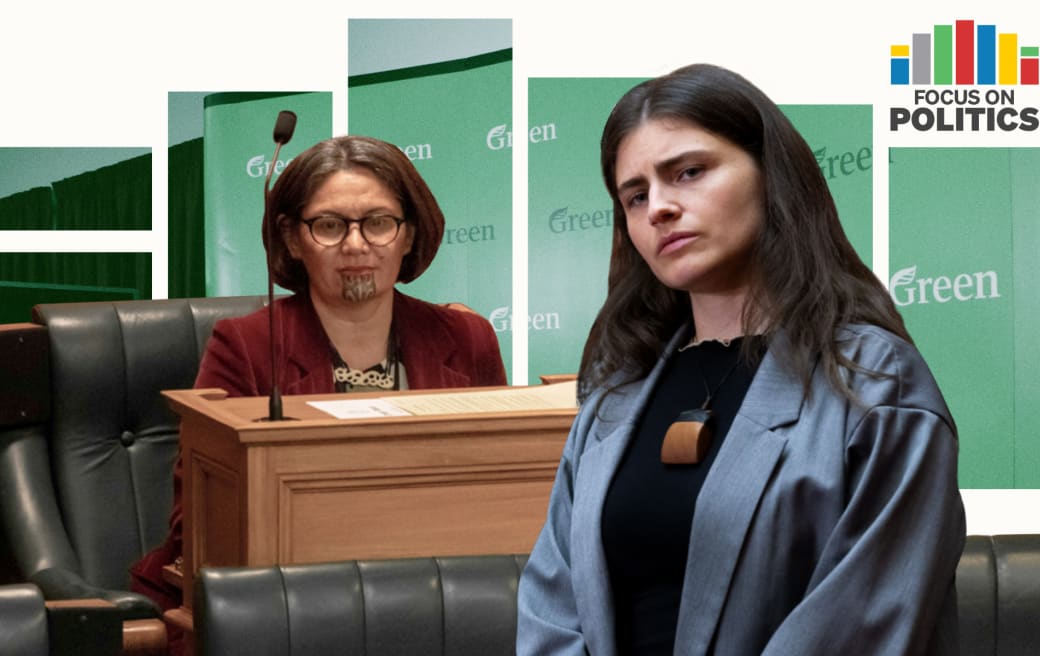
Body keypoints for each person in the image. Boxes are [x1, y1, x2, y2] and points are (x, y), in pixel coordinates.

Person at [517, 64, 965, 655]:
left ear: (770, 175)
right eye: (636, 194)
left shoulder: (876, 383)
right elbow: (553, 608)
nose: (659, 208)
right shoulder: (615, 393)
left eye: (689, 172)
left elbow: (862, 625)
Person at [129, 135, 507, 628]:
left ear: (409, 235)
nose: (356, 245)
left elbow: (501, 489)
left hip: (439, 599)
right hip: (288, 604)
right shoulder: (244, 345)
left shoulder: (466, 337)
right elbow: (197, 522)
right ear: (292, 239)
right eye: (329, 226)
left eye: (378, 223)